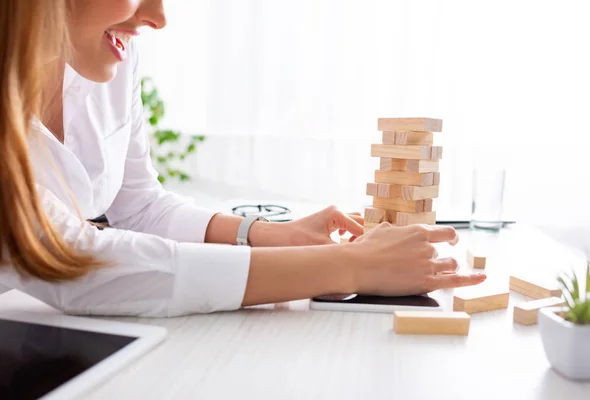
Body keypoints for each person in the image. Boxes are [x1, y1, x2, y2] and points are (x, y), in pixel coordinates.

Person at [0, 0, 486, 317]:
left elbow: (139, 204)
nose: (158, 16)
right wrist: (352, 264)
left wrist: (271, 236)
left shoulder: (110, 54)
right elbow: (73, 264)